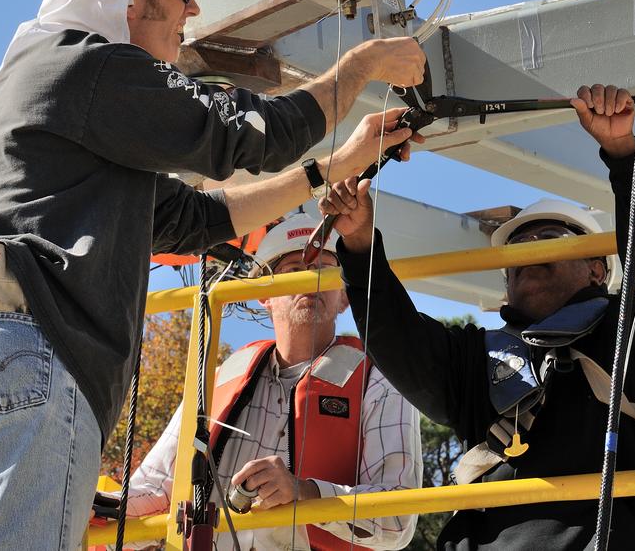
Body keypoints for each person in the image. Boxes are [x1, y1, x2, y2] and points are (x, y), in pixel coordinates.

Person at [0, 0, 425, 551]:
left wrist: (333, 166)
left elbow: (196, 218)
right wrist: (363, 65)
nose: (193, 10)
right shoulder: (97, 64)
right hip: (21, 352)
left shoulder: (40, 81)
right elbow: (247, 132)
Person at [320, 84, 635, 550]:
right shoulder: (474, 360)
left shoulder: (632, 336)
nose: (530, 251)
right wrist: (359, 245)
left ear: (597, 270)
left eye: (550, 238)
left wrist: (623, 153)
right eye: (518, 247)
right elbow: (397, 340)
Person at [123, 214, 423, 550]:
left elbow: (397, 520)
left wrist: (306, 493)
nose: (310, 280)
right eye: (294, 270)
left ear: (344, 298)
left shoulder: (378, 380)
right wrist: (97, 508)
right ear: (263, 294)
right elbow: (157, 487)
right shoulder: (217, 379)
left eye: (323, 270)